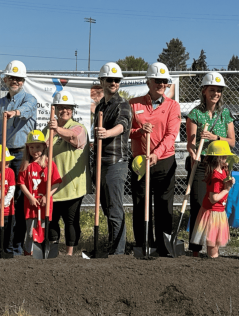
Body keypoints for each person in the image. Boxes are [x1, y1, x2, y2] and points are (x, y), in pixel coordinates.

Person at [129, 62, 181, 256]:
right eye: (157, 80)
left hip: (164, 161)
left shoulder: (173, 106)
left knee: (163, 204)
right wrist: (138, 131)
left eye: (164, 81)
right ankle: (143, 244)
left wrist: (156, 155)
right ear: (148, 81)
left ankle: (163, 247)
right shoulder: (134, 104)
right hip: (140, 163)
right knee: (141, 203)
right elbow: (126, 132)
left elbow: (171, 135)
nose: (161, 84)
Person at [186, 72, 235, 257]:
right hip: (202, 162)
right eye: (212, 90)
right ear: (204, 91)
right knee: (199, 204)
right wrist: (192, 154)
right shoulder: (195, 113)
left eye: (219, 90)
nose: (216, 93)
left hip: (221, 164)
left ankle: (212, 248)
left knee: (218, 205)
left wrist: (215, 137)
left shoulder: (226, 114)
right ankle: (195, 249)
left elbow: (232, 141)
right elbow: (191, 143)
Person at [42, 90, 92, 256]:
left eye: (68, 108)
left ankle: (70, 253)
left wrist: (57, 130)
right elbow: (41, 151)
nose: (65, 110)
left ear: (73, 110)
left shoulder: (79, 127)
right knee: (52, 219)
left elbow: (74, 138)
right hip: (53, 185)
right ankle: (54, 251)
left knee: (71, 220)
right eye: (61, 107)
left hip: (72, 185)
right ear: (55, 109)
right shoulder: (47, 129)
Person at [0, 60, 37, 256]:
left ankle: (17, 245)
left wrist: (14, 112)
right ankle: (3, 242)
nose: (15, 81)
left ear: (23, 81)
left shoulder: (30, 99)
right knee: (3, 198)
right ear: (5, 79)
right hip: (3, 156)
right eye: (12, 78)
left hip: (21, 154)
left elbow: (26, 110)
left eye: (19, 79)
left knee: (20, 199)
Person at [93, 63, 132, 255]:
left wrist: (107, 133)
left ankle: (118, 252)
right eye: (110, 79)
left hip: (115, 162)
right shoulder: (100, 106)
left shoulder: (122, 104)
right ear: (102, 81)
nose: (114, 83)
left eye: (117, 80)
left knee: (115, 209)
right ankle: (111, 245)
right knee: (107, 209)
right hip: (100, 162)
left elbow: (123, 125)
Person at [18, 130, 62, 256]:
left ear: (44, 146)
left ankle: (42, 253)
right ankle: (28, 253)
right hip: (31, 205)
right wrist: (30, 197)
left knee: (43, 230)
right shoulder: (26, 165)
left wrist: (47, 196)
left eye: (38, 146)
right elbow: (21, 183)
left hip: (44, 205)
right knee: (30, 232)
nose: (34, 150)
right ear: (27, 148)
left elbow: (56, 183)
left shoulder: (49, 164)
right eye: (31, 147)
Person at [190, 141, 236, 258]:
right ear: (218, 159)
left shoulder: (223, 171)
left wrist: (228, 180)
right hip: (213, 212)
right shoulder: (215, 176)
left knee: (216, 241)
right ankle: (212, 260)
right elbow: (213, 198)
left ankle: (213, 258)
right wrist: (227, 190)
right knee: (213, 241)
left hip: (218, 211)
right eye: (225, 157)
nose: (227, 159)